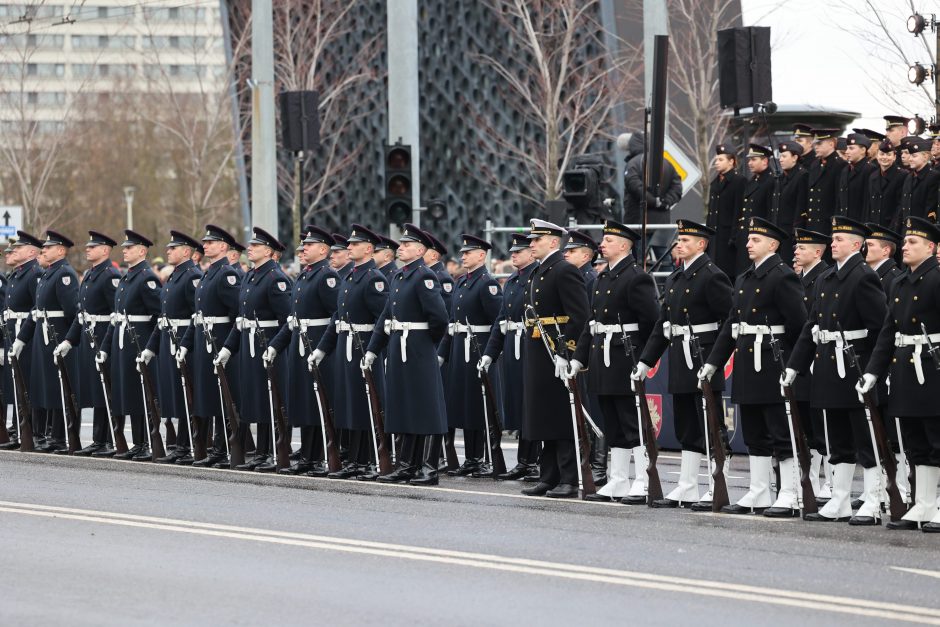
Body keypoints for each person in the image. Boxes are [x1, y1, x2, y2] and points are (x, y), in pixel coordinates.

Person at [699, 217, 807, 515]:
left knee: (780, 431)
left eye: (755, 240)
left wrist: (795, 365)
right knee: (755, 433)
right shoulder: (745, 278)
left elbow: (799, 325)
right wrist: (713, 363)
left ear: (773, 245)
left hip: (773, 361)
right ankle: (759, 491)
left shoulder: (782, 276)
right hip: (748, 361)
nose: (748, 243)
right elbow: (732, 324)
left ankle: (789, 491)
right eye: (748, 239)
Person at [783, 217, 887, 523]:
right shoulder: (827, 279)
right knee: (836, 438)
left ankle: (873, 497)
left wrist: (872, 371)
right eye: (833, 238)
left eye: (839, 239)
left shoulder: (863, 276)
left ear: (857, 244)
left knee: (865, 436)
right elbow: (810, 326)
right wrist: (795, 367)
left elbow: (881, 327)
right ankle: (840, 499)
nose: (834, 243)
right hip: (828, 365)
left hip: (855, 365)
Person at [635, 219, 733, 509]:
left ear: (701, 245)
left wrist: (716, 359)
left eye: (686, 241)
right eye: (679, 240)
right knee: (687, 425)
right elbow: (661, 325)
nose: (679, 244)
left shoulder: (713, 276)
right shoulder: (677, 278)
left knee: (710, 424)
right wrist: (645, 361)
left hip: (702, 357)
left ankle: (719, 484)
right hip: (680, 357)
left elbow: (729, 320)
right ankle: (688, 485)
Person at [567, 220, 658, 504]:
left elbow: (651, 322)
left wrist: (644, 360)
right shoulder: (603, 278)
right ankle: (618, 479)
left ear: (623, 245)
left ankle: (643, 480)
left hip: (624, 357)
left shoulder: (636, 277)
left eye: (607, 240)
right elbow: (590, 324)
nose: (601, 244)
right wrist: (578, 358)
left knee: (632, 421)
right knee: (612, 422)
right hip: (602, 358)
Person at [858, 217, 940, 531]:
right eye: (905, 242)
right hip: (906, 366)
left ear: (930, 248)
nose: (905, 247)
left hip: (931, 368)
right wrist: (873, 372)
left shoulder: (936, 279)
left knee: (937, 437)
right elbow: (888, 331)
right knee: (915, 441)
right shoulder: (900, 281)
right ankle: (923, 503)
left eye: (913, 242)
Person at [364, 224, 449, 485]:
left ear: (420, 250)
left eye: (406, 244)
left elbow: (439, 319)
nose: (401, 248)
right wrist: (373, 349)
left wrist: (423, 344)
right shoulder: (399, 277)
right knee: (403, 406)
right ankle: (406, 464)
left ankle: (428, 467)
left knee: (426, 408)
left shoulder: (424, 276)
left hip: (418, 348)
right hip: (398, 347)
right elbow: (385, 318)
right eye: (400, 244)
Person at [518, 219, 590, 499]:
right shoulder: (540, 271)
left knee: (562, 417)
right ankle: (549, 476)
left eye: (536, 240)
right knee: (544, 416)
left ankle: (569, 479)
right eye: (531, 240)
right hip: (539, 351)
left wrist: (566, 353)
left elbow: (580, 316)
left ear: (552, 241)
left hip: (556, 353)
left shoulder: (564, 271)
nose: (531, 244)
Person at [312, 224, 388, 480]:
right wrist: (323, 348)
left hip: (362, 345)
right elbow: (337, 317)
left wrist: (373, 350)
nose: (349, 248)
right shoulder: (350, 276)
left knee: (364, 405)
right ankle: (353, 458)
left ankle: (366, 460)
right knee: (349, 403)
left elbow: (383, 319)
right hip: (345, 344)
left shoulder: (374, 278)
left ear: (368, 248)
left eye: (354, 245)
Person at [216, 227, 291, 472]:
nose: (250, 248)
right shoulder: (250, 276)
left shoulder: (276, 278)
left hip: (266, 344)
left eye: (256, 246)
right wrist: (228, 347)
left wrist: (274, 347)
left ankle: (269, 452)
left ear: (268, 251)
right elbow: (242, 318)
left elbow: (287, 320)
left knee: (267, 400)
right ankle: (258, 452)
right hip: (248, 343)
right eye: (250, 245)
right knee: (252, 398)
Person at [267, 225, 340, 475]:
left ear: (323, 249)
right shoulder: (305, 275)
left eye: (308, 246)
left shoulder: (327, 277)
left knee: (318, 403)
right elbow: (293, 319)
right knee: (304, 402)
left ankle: (318, 457)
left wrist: (322, 349)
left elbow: (337, 316)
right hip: (300, 343)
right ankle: (307, 455)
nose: (303, 249)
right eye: (302, 246)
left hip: (317, 346)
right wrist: (276, 345)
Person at [178, 224, 242, 468]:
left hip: (220, 341)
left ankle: (229, 447)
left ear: (224, 247)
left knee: (225, 398)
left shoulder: (226, 274)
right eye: (205, 242)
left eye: (211, 242)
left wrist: (228, 347)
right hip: (204, 340)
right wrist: (186, 344)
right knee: (211, 397)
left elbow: (238, 314)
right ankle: (217, 448)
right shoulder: (208, 273)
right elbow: (198, 316)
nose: (205, 245)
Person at [438, 234, 502, 477]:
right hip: (459, 349)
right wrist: (442, 354)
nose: (463, 256)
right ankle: (471, 458)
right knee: (464, 404)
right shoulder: (462, 282)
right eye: (462, 253)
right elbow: (452, 323)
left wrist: (489, 354)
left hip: (478, 348)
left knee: (479, 406)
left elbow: (498, 320)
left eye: (468, 252)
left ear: (481, 255)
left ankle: (481, 458)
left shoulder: (487, 283)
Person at [10, 231, 79, 454]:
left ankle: (59, 437)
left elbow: (72, 313)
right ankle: (46, 435)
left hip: (56, 337)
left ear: (60, 250)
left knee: (57, 388)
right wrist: (22, 339)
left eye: (48, 247)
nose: (44, 250)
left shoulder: (64, 274)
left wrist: (69, 340)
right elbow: (36, 311)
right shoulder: (49, 274)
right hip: (42, 337)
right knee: (43, 386)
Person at [138, 231, 203, 464]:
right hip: (169, 341)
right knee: (173, 395)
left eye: (173, 248)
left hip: (184, 342)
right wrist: (151, 347)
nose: (168, 250)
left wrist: (185, 344)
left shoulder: (193, 276)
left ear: (186, 252)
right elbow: (163, 317)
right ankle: (178, 444)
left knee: (187, 396)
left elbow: (197, 316)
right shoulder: (175, 276)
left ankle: (187, 446)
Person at [98, 230, 162, 461]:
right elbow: (116, 318)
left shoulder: (147, 277)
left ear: (142, 251)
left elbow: (158, 317)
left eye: (129, 247)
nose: (124, 250)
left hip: (138, 341)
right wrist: (105, 347)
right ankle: (131, 443)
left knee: (138, 393)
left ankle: (143, 442)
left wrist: (150, 346)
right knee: (124, 392)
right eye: (124, 247)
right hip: (122, 342)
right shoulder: (126, 278)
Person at [480, 233, 540, 480]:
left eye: (519, 251)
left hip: (531, 344)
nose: (513, 255)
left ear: (530, 252)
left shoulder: (537, 277)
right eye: (512, 251)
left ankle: (534, 461)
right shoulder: (513, 280)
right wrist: (489, 354)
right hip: (513, 345)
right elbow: (501, 319)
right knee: (518, 404)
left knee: (532, 405)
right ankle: (524, 461)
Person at [56, 232, 120, 457]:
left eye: (93, 247)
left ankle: (108, 440)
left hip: (102, 337)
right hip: (87, 338)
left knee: (104, 390)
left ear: (105, 250)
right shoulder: (91, 275)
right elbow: (81, 314)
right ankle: (97, 439)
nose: (87, 249)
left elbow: (116, 314)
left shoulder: (110, 275)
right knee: (94, 389)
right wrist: (68, 340)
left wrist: (106, 345)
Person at [864, 224, 908, 501]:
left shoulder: (893, 278)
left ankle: (899, 485)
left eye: (872, 244)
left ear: (887, 249)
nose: (866, 248)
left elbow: (889, 325)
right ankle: (881, 485)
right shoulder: (869, 275)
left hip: (890, 362)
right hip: (872, 361)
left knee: (894, 429)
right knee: (877, 426)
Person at [789, 229, 831, 499]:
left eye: (802, 247)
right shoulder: (799, 279)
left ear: (817, 252)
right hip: (801, 359)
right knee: (805, 423)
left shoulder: (824, 277)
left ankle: (830, 482)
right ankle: (810, 480)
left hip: (821, 361)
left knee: (823, 425)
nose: (796, 251)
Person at [562, 228, 606, 484]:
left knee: (594, 409)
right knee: (582, 408)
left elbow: (584, 318)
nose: (566, 254)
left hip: (587, 351)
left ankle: (598, 464)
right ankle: (588, 460)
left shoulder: (589, 278)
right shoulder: (576, 276)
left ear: (587, 255)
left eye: (573, 251)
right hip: (578, 349)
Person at [0, 233, 42, 450]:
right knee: (14, 382)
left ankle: (27, 428)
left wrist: (23, 336)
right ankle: (18, 428)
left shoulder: (34, 273)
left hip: (25, 335)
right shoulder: (17, 274)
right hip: (11, 332)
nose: (13, 251)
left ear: (32, 251)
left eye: (19, 248)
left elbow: (37, 307)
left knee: (24, 382)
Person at [623, 131, 683, 261]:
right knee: (664, 259)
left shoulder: (633, 163)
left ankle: (639, 281)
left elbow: (634, 186)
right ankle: (667, 281)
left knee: (637, 261)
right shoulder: (666, 163)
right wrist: (665, 202)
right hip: (661, 222)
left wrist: (652, 201)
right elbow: (677, 187)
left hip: (638, 222)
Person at [735, 144, 776, 275]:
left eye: (754, 159)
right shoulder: (752, 181)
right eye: (749, 160)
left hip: (760, 237)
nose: (749, 163)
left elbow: (770, 212)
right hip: (747, 236)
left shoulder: (771, 181)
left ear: (764, 161)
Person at [706, 143, 745, 278]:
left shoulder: (739, 181)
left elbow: (738, 211)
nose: (717, 163)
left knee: (728, 274)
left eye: (721, 160)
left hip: (728, 237)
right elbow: (711, 211)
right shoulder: (714, 183)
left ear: (731, 161)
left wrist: (734, 236)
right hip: (714, 237)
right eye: (716, 159)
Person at [771, 141, 808, 266]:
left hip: (790, 235)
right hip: (778, 233)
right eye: (780, 156)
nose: (780, 159)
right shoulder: (781, 178)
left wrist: (796, 233)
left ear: (795, 157)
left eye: (784, 156)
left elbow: (800, 206)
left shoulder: (802, 176)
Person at [804, 128, 847, 233]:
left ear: (831, 144)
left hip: (828, 223)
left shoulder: (840, 165)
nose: (816, 147)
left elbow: (838, 197)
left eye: (820, 144)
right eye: (815, 144)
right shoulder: (815, 164)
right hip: (812, 222)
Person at [896, 138, 939, 229]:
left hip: (921, 231)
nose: (910, 159)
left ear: (925, 157)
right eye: (910, 155)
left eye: (914, 156)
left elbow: (930, 208)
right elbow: (903, 206)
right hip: (906, 229)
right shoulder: (909, 177)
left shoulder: (933, 177)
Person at [865, 141, 905, 227]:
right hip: (874, 225)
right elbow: (869, 204)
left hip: (892, 226)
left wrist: (894, 226)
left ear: (894, 157)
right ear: (877, 156)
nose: (885, 157)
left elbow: (900, 205)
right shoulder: (873, 176)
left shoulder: (902, 175)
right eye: (882, 154)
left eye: (888, 154)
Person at [837, 133, 874, 222]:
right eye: (847, 148)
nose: (847, 152)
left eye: (851, 148)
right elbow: (840, 200)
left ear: (863, 150)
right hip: (844, 222)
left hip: (859, 224)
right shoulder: (846, 169)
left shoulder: (870, 169)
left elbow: (867, 203)